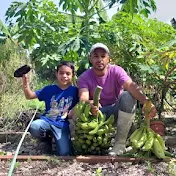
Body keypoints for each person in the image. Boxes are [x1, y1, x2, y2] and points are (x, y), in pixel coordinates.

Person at [77, 43, 157, 155]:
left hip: (116, 111)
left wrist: (146, 101)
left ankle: (120, 144)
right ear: (90, 59)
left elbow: (131, 86)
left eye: (103, 56)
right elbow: (83, 97)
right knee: (76, 113)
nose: (99, 59)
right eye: (95, 56)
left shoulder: (116, 71)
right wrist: (89, 103)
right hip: (96, 113)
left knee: (128, 95)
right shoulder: (84, 77)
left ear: (108, 58)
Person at [21, 61, 79, 156]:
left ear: (73, 75)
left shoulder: (75, 91)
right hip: (47, 121)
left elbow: (83, 102)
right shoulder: (49, 89)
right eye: (61, 73)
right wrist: (25, 83)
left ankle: (59, 141)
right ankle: (46, 140)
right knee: (34, 126)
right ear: (56, 74)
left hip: (63, 125)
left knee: (64, 153)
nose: (64, 76)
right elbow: (30, 96)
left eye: (68, 74)